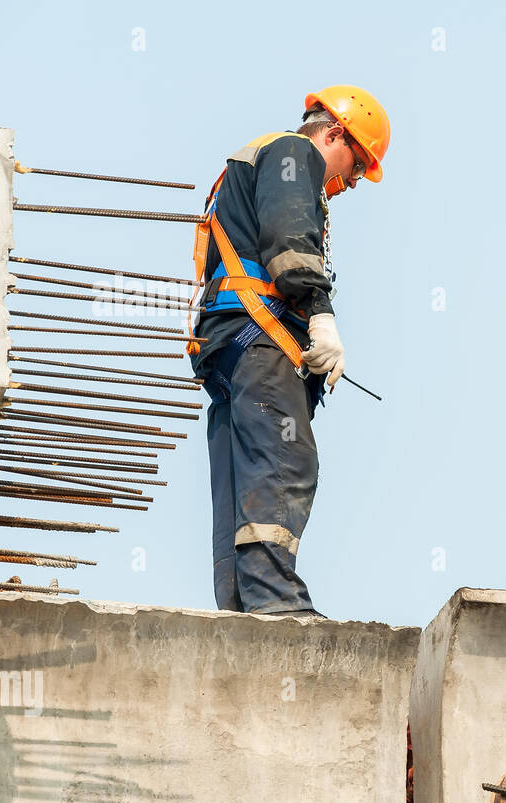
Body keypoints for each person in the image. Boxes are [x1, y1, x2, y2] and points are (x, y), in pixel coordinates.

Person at [187, 86, 389, 616]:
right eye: (352, 169)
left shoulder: (247, 162)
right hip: (261, 340)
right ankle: (276, 603)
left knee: (242, 474)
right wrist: (320, 316)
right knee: (286, 460)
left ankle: (239, 607)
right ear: (334, 134)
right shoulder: (293, 153)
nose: (346, 186)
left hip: (229, 345)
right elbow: (290, 241)